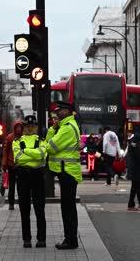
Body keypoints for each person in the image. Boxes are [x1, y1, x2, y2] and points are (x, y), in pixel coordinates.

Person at [44, 101, 82, 250]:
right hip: (67, 171)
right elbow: (50, 141)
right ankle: (71, 239)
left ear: (67, 111)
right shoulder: (65, 126)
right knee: (68, 207)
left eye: (59, 111)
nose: (57, 113)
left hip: (67, 171)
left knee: (68, 209)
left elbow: (51, 147)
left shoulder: (67, 129)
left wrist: (43, 147)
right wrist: (53, 129)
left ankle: (71, 240)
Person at [12, 115, 47, 247]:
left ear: (37, 127)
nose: (30, 128)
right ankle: (26, 239)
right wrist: (34, 154)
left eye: (33, 126)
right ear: (23, 127)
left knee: (40, 209)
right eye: (27, 126)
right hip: (23, 176)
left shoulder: (41, 140)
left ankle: (41, 239)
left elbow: (42, 155)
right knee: (24, 209)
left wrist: (25, 151)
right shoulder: (17, 140)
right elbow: (18, 158)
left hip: (37, 176)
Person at [2, 120, 24, 210]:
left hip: (21, 164)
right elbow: (5, 152)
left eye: (20, 127)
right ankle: (11, 203)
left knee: (21, 185)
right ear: (15, 128)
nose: (18, 129)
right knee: (12, 186)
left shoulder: (24, 137)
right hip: (12, 164)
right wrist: (4, 164)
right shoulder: (10, 137)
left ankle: (21, 202)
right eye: (17, 127)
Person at [126, 133, 140, 211]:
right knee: (136, 187)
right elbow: (139, 157)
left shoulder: (133, 144)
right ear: (138, 139)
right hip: (136, 170)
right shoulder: (135, 146)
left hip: (134, 169)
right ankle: (131, 205)